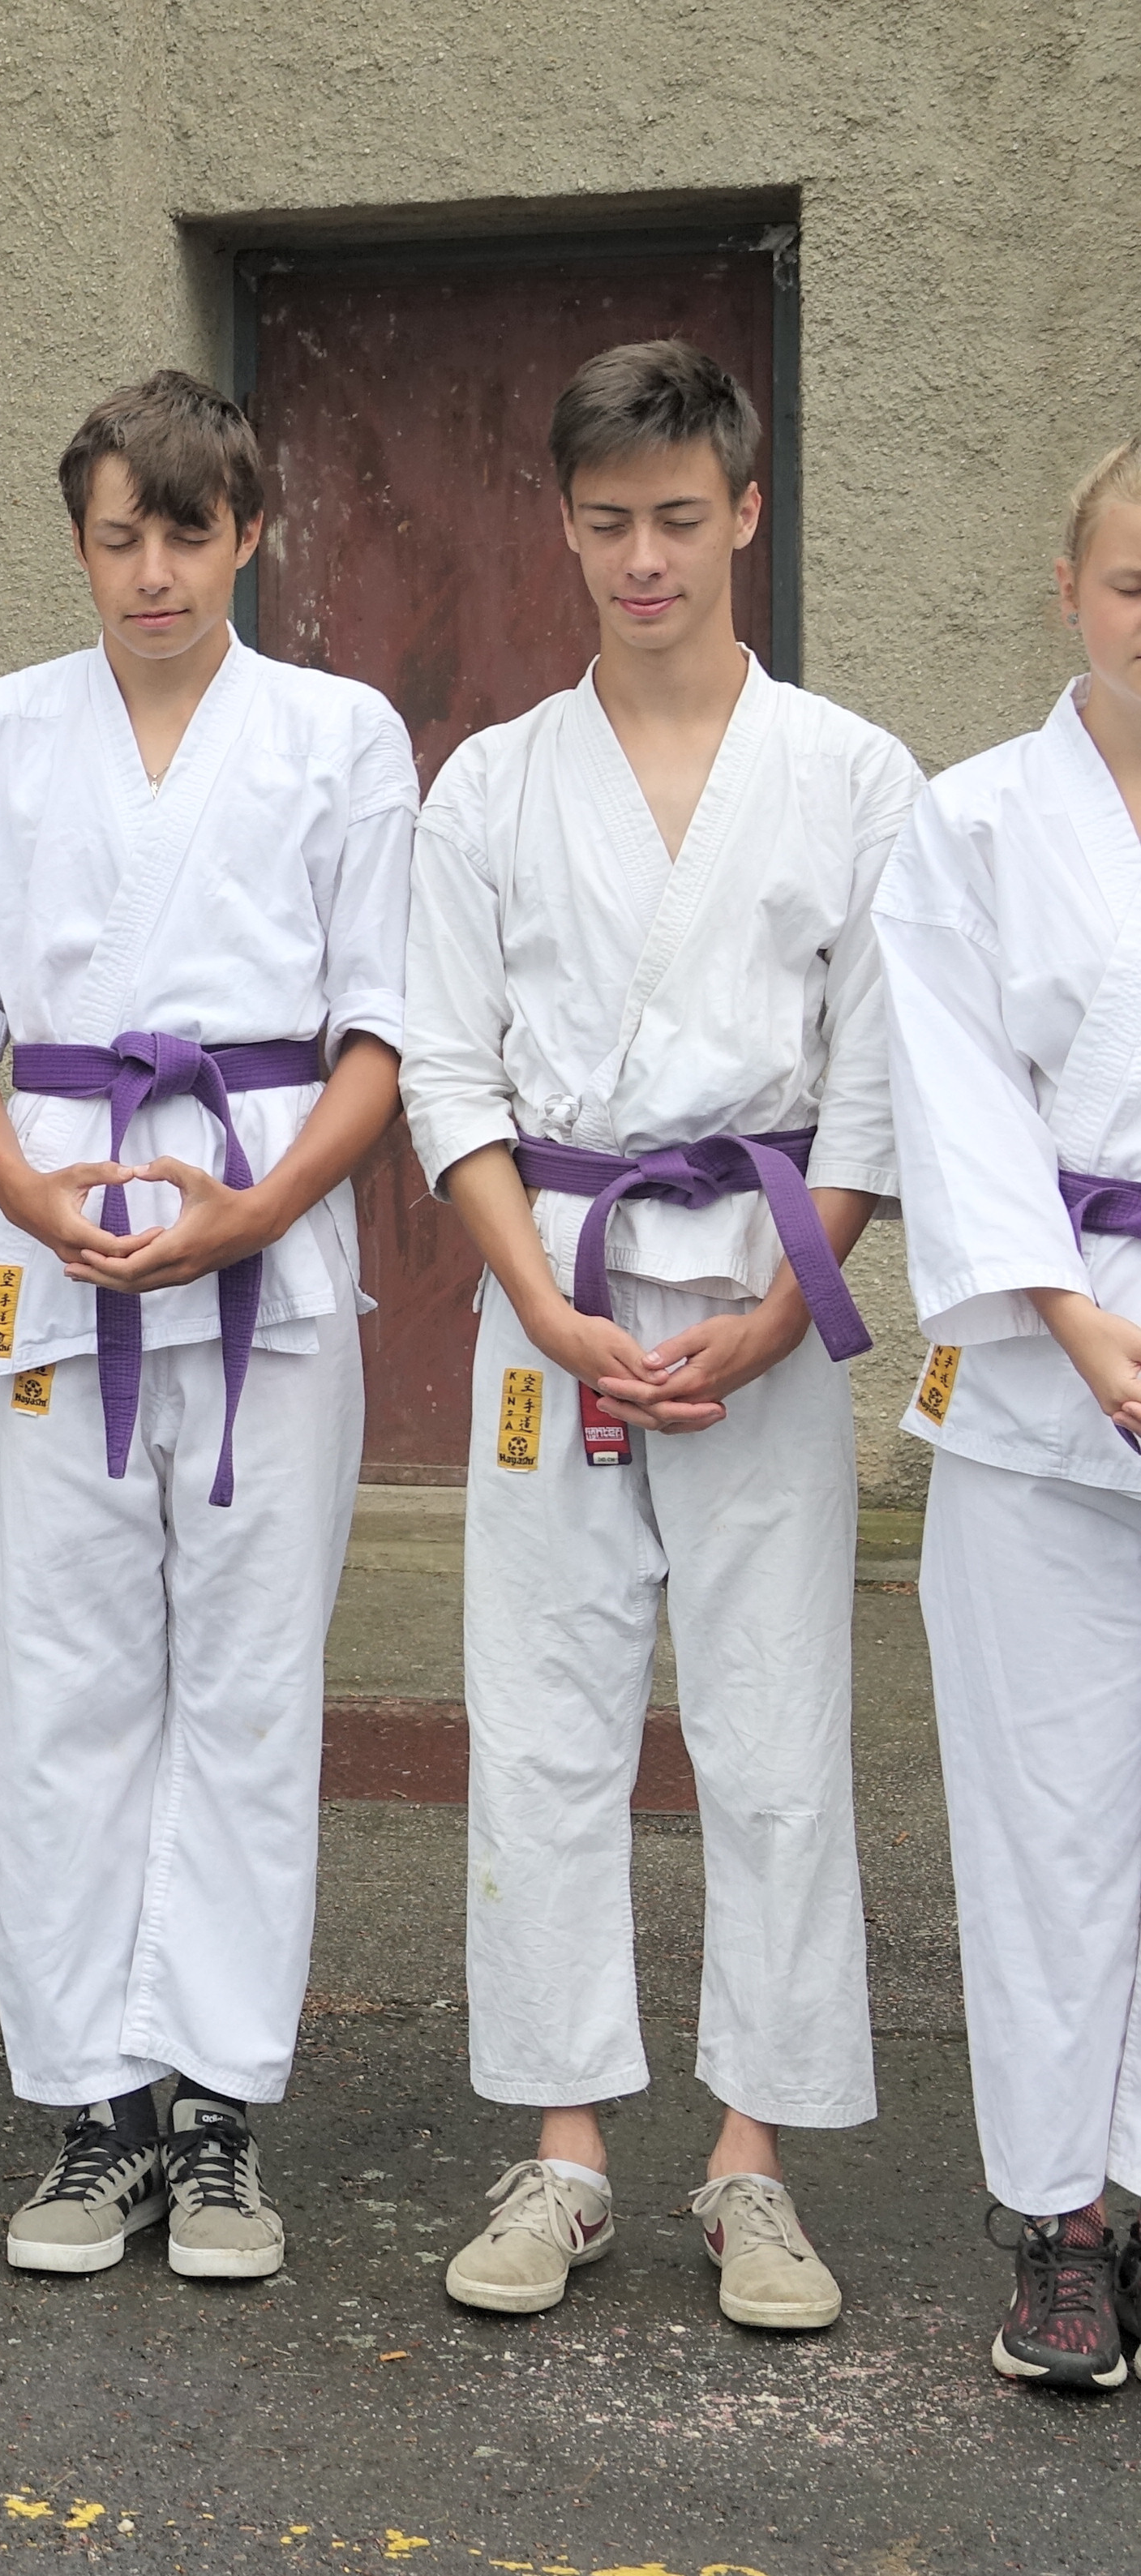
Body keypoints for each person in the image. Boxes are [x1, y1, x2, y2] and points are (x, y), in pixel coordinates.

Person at [403, 340, 917, 2332]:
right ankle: (562, 2149)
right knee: (543, 1716)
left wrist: (790, 1310)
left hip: (763, 1294)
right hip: (559, 1291)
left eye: (680, 519)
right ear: (564, 524)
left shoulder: (851, 775)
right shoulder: (493, 780)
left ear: (746, 513)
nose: (645, 558)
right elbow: (450, 1066)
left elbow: (871, 1083)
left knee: (773, 1724)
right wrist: (539, 1299)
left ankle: (752, 2157)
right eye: (609, 522)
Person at [0, 371, 415, 2282]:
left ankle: (217, 2114)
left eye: (189, 535)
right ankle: (94, 2108)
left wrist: (262, 1210)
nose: (154, 574)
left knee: (252, 1681)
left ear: (249, 534)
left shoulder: (341, 736)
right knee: (63, 1679)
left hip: (268, 1250)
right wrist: (36, 1198)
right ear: (81, 542)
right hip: (63, 1244)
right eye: (120, 537)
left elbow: (382, 1027)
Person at [877, 437, 1141, 2389]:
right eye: (1136, 585)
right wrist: (1081, 1321)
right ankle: (1060, 2224)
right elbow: (957, 1110)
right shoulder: (969, 823)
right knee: (1047, 1817)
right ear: (1068, 591)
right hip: (1047, 1374)